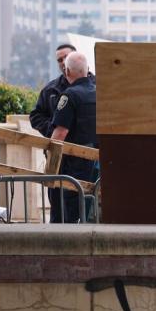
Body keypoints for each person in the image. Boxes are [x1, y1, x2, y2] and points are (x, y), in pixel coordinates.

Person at [49, 51, 97, 223]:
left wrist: (49, 164)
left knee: (67, 214)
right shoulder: (100, 94)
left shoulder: (70, 96)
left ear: (67, 71)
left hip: (73, 167)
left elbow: (59, 135)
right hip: (96, 165)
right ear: (87, 69)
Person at [30, 44, 97, 138]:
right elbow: (36, 116)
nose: (63, 62)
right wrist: (53, 129)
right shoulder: (50, 90)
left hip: (95, 149)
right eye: (59, 60)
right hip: (64, 147)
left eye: (66, 57)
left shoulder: (100, 87)